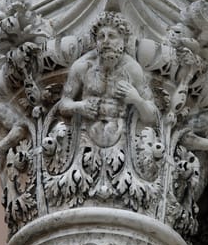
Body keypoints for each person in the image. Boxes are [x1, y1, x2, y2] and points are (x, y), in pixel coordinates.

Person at [59, 11, 158, 148]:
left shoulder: (132, 69)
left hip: (122, 141)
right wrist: (79, 106)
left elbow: (152, 116)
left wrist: (137, 100)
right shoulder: (82, 66)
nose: (105, 41)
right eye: (101, 36)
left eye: (112, 36)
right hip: (83, 139)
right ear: (95, 41)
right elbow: (63, 104)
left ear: (123, 40)